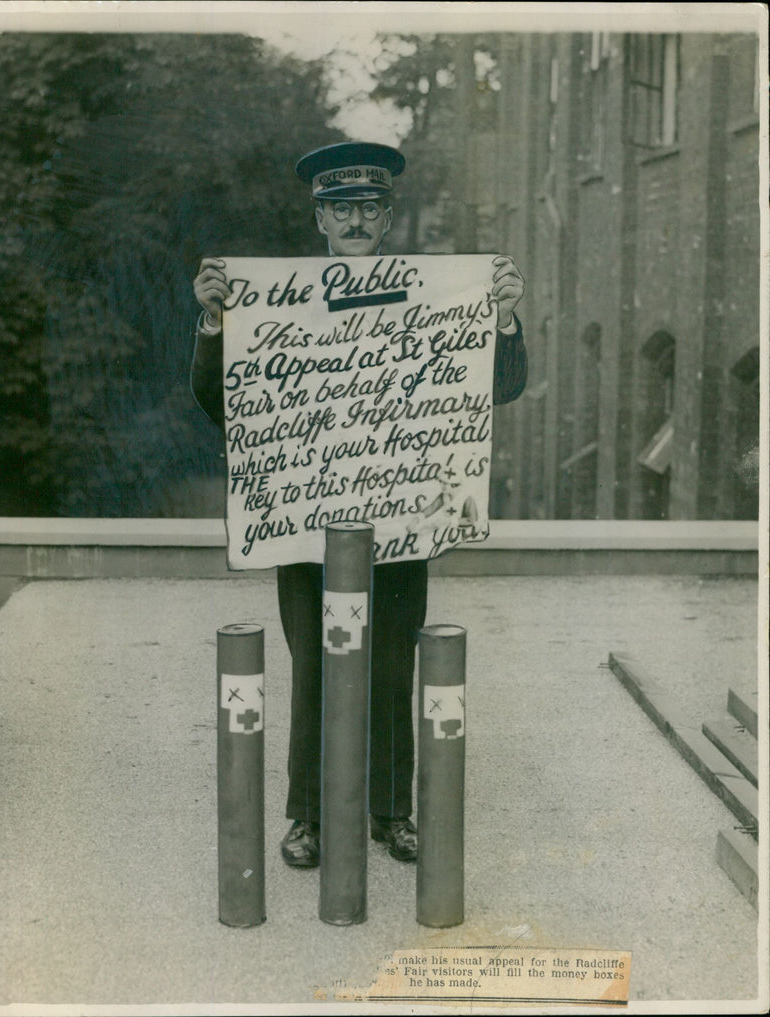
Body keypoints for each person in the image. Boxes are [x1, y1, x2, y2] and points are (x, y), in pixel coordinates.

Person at [190, 141, 527, 868]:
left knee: (392, 665)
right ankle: (307, 815)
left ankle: (390, 812)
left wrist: (499, 316)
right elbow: (222, 402)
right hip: (308, 526)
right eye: (340, 208)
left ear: (386, 217)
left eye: (368, 207)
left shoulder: (431, 294)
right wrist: (216, 323)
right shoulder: (279, 297)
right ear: (319, 218)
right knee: (314, 664)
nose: (354, 219)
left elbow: (496, 387)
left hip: (399, 522)